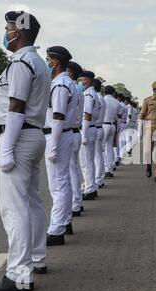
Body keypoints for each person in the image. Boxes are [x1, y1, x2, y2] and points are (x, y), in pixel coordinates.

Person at [0, 11, 49, 291]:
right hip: (32, 134)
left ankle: (19, 274)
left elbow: (15, 106)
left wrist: (7, 147)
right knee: (32, 202)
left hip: (19, 135)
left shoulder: (22, 62)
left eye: (8, 27)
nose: (6, 32)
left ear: (18, 32)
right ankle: (37, 258)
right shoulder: (37, 63)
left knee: (15, 207)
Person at [44, 46, 77, 246]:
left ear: (55, 62)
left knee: (57, 184)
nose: (47, 63)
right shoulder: (68, 83)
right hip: (65, 134)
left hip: (58, 135)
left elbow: (58, 115)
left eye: (48, 60)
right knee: (63, 181)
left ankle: (56, 230)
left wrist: (53, 145)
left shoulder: (60, 85)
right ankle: (64, 222)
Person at [67, 61, 84, 217]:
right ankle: (76, 201)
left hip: (67, 132)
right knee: (74, 169)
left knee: (64, 175)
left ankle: (74, 205)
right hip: (75, 131)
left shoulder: (66, 86)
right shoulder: (78, 89)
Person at [78, 71, 99, 201]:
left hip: (87, 128)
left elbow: (87, 115)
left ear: (90, 80)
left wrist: (83, 135)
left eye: (84, 80)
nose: (82, 82)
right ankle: (91, 187)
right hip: (92, 128)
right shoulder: (93, 94)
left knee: (85, 162)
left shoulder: (87, 94)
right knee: (89, 160)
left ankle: (89, 189)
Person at [103, 85, 120, 178]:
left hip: (103, 125)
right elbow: (118, 116)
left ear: (104, 92)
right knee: (109, 148)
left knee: (100, 148)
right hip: (113, 125)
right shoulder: (117, 102)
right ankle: (109, 168)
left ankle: (105, 168)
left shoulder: (102, 99)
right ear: (113, 93)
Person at [93, 78, 106, 190]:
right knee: (99, 155)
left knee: (95, 156)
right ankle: (99, 178)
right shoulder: (101, 98)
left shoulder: (96, 97)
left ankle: (97, 178)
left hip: (95, 127)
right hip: (100, 127)